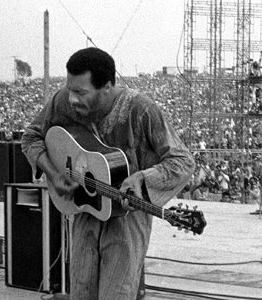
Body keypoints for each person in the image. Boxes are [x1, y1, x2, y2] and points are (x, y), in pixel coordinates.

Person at [21, 47, 194, 299]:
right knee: (80, 292)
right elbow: (31, 137)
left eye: (81, 92)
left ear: (108, 86)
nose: (72, 99)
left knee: (116, 293)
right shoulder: (62, 102)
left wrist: (142, 178)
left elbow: (183, 161)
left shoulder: (142, 110)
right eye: (70, 89)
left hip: (127, 216)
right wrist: (54, 173)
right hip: (84, 210)